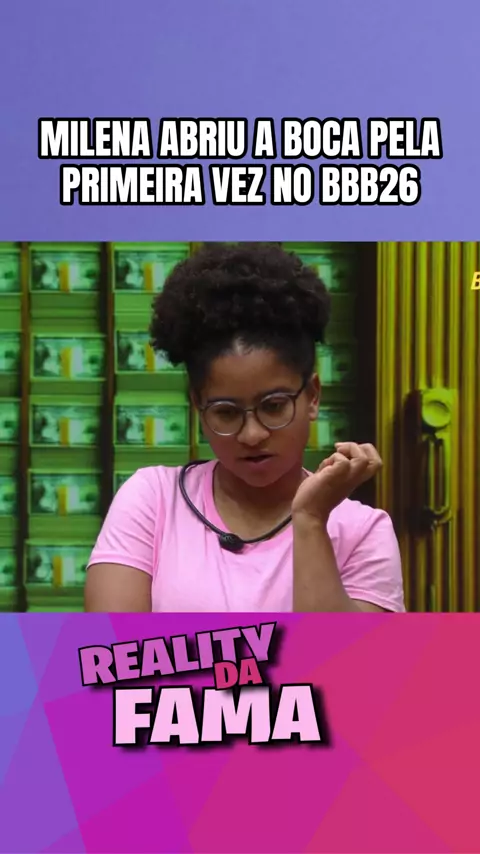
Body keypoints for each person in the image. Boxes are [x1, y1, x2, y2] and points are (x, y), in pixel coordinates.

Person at [85, 243, 405, 613]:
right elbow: (111, 646)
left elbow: (345, 652)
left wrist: (311, 520)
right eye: (226, 412)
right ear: (197, 405)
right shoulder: (152, 500)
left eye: (273, 406)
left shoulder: (362, 532)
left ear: (313, 396)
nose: (252, 434)